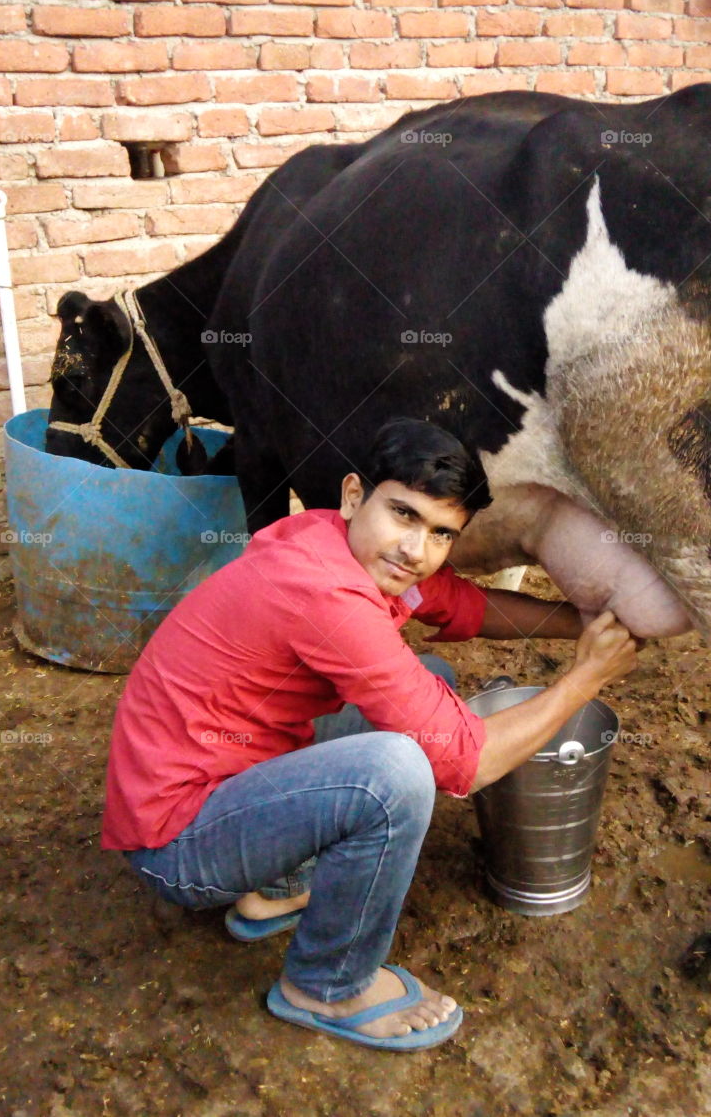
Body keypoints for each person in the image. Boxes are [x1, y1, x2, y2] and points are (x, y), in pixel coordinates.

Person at [101, 418, 637, 1052]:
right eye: (403, 515)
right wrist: (584, 679)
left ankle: (272, 893)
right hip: (178, 844)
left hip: (219, 774)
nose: (416, 549)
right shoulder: (326, 594)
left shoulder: (329, 539)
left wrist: (582, 625)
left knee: (429, 679)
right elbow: (466, 762)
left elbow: (464, 606)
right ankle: (326, 985)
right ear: (355, 495)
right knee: (398, 772)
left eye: (442, 533)